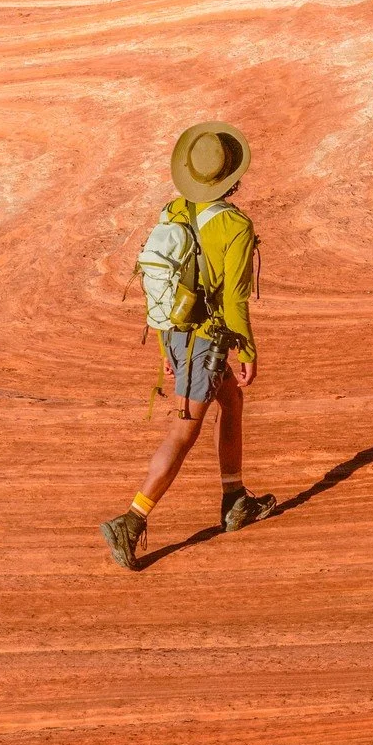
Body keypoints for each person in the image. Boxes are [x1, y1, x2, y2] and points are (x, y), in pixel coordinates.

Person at [101, 123, 277, 570]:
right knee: (185, 428)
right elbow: (234, 300)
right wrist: (249, 351)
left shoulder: (175, 210)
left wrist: (165, 345)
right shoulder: (234, 225)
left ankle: (235, 499)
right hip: (208, 339)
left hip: (176, 330)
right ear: (231, 176)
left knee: (230, 402)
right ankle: (132, 518)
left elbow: (161, 284)